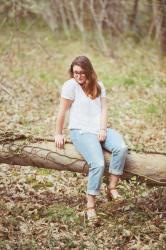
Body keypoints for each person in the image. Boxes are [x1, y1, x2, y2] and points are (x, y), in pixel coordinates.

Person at [54, 55, 128, 221]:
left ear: (89, 71)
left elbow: (103, 110)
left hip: (100, 129)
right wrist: (58, 133)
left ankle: (112, 188)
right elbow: (62, 112)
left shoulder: (99, 85)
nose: (78, 76)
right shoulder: (70, 86)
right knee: (98, 163)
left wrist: (102, 129)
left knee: (121, 148)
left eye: (82, 72)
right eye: (75, 72)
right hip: (80, 131)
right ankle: (90, 206)